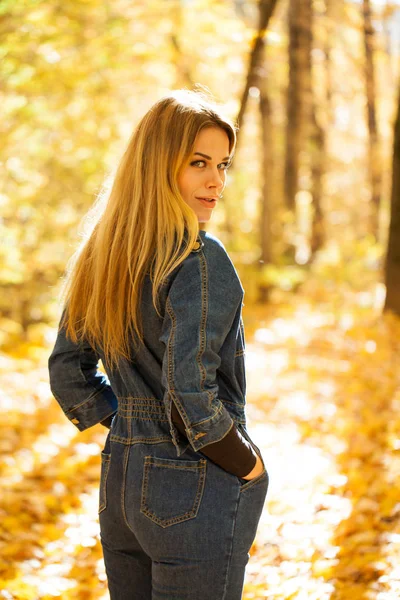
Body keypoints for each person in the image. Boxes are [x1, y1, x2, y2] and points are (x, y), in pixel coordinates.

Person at [48, 87, 269, 600]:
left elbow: (67, 372)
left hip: (121, 485)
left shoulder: (100, 256)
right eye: (198, 163)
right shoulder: (200, 259)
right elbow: (190, 391)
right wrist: (249, 466)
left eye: (223, 164)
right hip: (195, 484)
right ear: (157, 165)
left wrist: (134, 425)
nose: (216, 180)